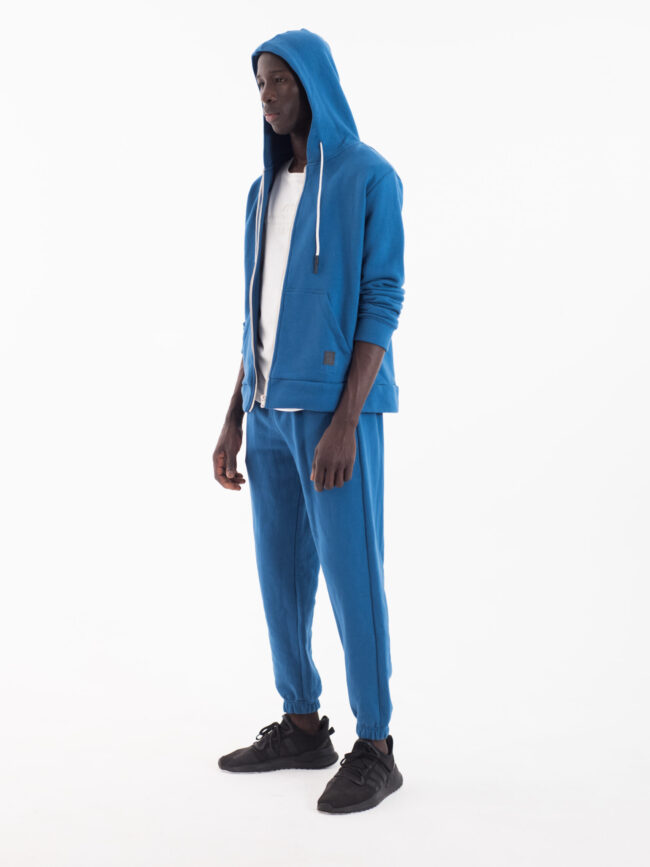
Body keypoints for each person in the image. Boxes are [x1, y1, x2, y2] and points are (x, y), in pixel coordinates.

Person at [212, 28, 406, 814]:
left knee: (353, 578)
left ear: (314, 83)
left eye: (280, 80)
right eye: (259, 83)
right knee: (280, 580)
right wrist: (234, 415)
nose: (266, 95)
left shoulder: (369, 177)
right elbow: (254, 315)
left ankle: (376, 746)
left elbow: (382, 299)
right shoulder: (261, 194)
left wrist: (346, 420)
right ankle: (301, 724)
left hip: (334, 414)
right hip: (267, 412)